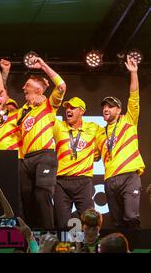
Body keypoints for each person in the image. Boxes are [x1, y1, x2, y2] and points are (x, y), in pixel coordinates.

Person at [17, 55, 66, 229]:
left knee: (42, 196)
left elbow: (61, 86)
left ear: (38, 90)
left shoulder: (48, 105)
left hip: (44, 156)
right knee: (26, 198)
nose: (23, 87)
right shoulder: (23, 110)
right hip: (26, 160)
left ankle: (49, 236)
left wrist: (44, 66)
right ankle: (32, 236)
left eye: (28, 85)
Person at [96, 56, 145, 228]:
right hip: (109, 180)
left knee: (131, 218)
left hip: (129, 176)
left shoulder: (128, 120)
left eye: (110, 106)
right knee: (116, 223)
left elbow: (134, 96)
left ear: (119, 109)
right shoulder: (100, 133)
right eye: (104, 106)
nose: (106, 109)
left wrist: (134, 73)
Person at [53, 97, 101, 229]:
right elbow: (48, 115)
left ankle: (89, 248)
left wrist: (96, 155)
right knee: (62, 223)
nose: (68, 110)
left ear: (81, 111)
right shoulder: (59, 126)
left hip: (83, 181)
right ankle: (64, 249)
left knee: (90, 221)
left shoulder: (94, 128)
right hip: (61, 182)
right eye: (67, 107)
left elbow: (106, 141)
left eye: (72, 108)